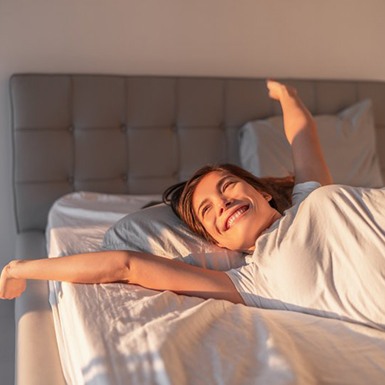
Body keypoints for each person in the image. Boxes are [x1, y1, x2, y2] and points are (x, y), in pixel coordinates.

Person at [1, 81, 384, 330]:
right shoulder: (252, 280)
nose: (223, 202)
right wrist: (22, 267)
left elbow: (303, 135)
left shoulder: (309, 196)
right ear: (218, 241)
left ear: (263, 193)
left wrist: (287, 96)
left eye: (228, 186)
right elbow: (126, 264)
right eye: (208, 211)